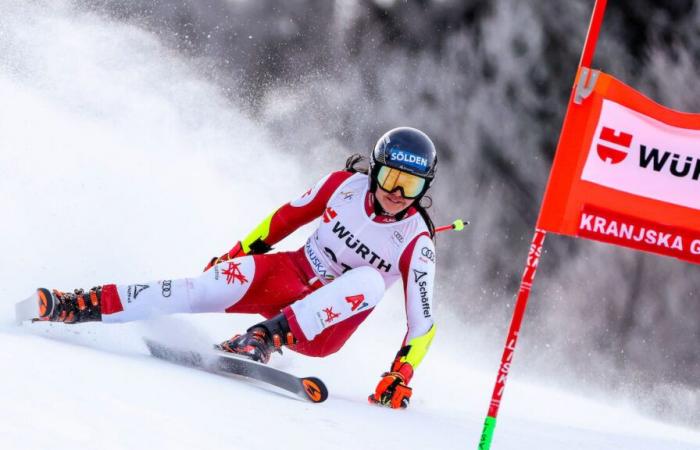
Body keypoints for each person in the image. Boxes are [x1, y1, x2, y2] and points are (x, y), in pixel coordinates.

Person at [35, 127, 438, 409]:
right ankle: (82, 304)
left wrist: (400, 375)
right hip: (289, 276)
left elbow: (422, 324)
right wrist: (234, 254)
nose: (397, 193)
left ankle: (263, 338)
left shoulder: (417, 242)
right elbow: (282, 221)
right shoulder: (342, 186)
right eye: (389, 178)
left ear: (425, 188)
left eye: (412, 186)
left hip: (323, 325)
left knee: (368, 280)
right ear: (375, 169)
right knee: (206, 285)